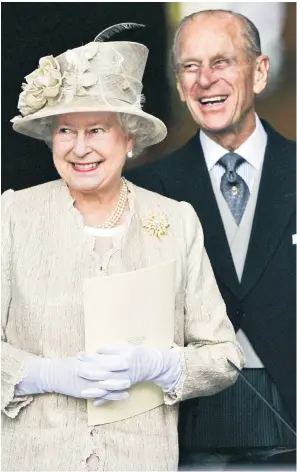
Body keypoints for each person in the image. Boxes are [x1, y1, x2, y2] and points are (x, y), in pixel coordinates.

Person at [1, 26, 244, 472]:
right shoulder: (13, 216)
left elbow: (224, 356)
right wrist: (45, 375)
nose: (80, 148)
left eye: (97, 129)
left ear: (129, 140)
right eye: (65, 131)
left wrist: (160, 365)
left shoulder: (176, 221)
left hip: (142, 459)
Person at [126, 9, 296, 470]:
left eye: (221, 62)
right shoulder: (143, 189)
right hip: (182, 427)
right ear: (179, 86)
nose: (205, 80)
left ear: (259, 72)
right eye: (190, 67)